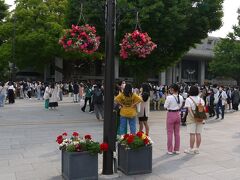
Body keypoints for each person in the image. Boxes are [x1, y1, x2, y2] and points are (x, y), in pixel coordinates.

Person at [184, 85, 205, 154]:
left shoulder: (188, 99)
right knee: (198, 134)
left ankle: (191, 149)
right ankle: (197, 149)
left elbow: (189, 110)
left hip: (191, 118)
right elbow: (203, 109)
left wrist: (194, 117)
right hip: (200, 118)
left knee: (192, 134)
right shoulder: (201, 99)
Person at [164, 84, 184, 155]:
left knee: (170, 133)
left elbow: (165, 106)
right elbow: (181, 105)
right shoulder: (181, 97)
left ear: (172, 89)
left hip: (171, 114)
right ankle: (177, 149)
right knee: (177, 133)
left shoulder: (169, 97)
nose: (169, 90)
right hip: (178, 114)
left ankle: (170, 150)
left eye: (170, 88)